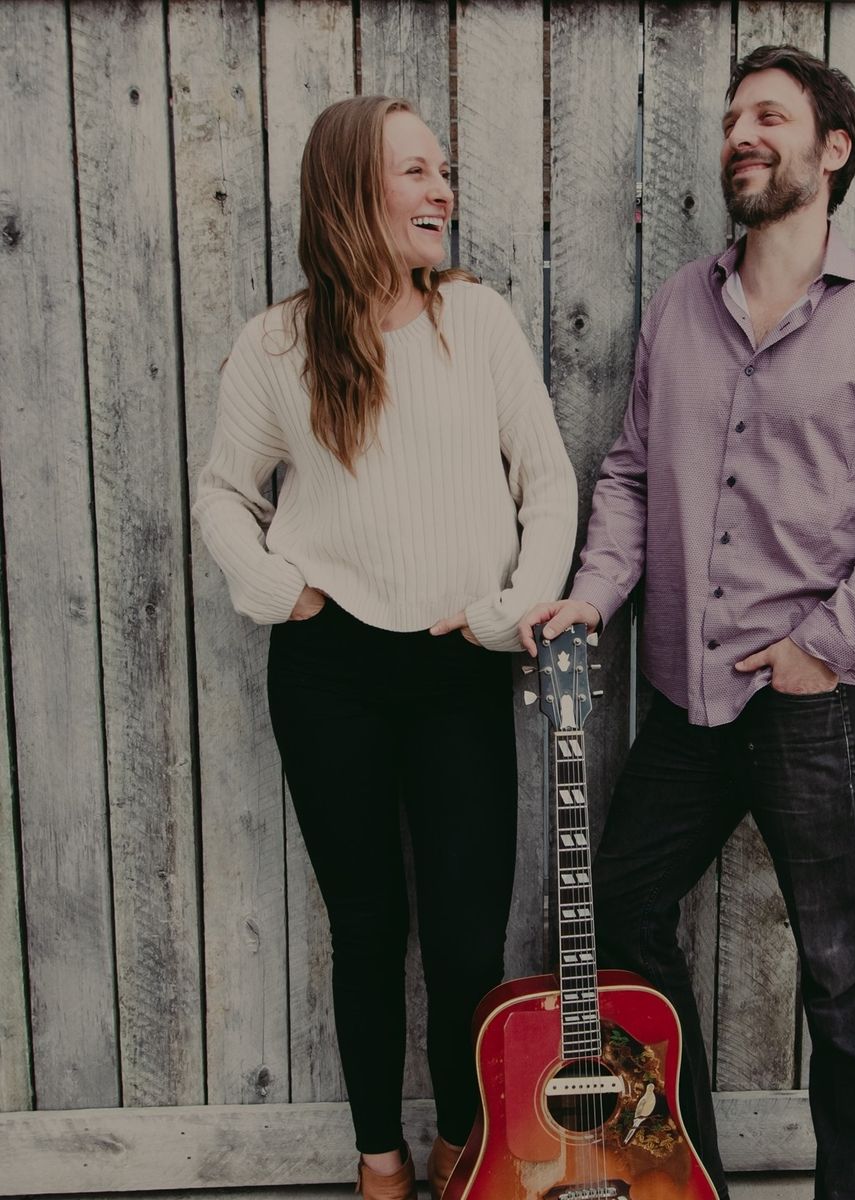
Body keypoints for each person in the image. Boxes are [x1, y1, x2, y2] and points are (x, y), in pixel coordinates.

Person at [520, 45, 855, 1200]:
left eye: (768, 115)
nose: (740, 134)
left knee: (838, 971)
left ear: (834, 149)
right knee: (623, 905)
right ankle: (691, 1176)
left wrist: (827, 643)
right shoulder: (681, 305)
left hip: (814, 702)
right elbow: (627, 474)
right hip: (686, 692)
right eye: (731, 119)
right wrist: (594, 593)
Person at [194, 96, 576, 1200]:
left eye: (444, 170)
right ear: (354, 189)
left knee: (466, 940)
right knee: (366, 929)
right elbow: (224, 491)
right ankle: (378, 1159)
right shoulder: (278, 344)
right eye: (416, 171)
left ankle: (463, 1144)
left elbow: (547, 484)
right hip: (333, 676)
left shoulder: (480, 323)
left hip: (458, 665)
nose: (442, 191)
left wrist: (512, 609)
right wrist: (276, 586)